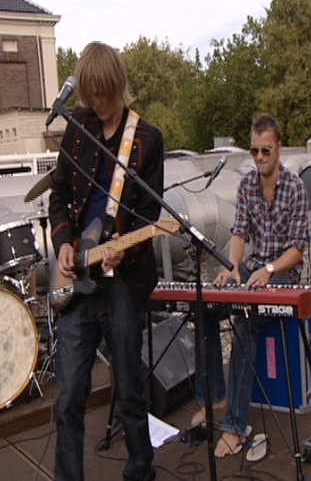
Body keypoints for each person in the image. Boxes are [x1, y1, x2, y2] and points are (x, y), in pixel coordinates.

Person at [49, 42, 164, 481]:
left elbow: (150, 219)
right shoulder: (78, 126)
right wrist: (63, 241)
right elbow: (59, 196)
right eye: (91, 96)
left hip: (122, 279)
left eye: (104, 94)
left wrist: (125, 247)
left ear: (118, 84)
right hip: (77, 273)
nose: (97, 103)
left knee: (130, 386)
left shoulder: (147, 139)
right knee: (70, 394)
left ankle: (140, 471)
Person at [192, 112, 309, 458]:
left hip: (285, 274)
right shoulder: (246, 185)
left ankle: (236, 426)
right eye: (254, 151)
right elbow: (240, 232)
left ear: (279, 149)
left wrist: (270, 270)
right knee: (205, 307)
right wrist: (233, 268)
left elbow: (297, 250)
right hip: (256, 267)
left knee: (245, 320)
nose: (259, 158)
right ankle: (214, 397)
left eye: (266, 151)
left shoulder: (296, 187)